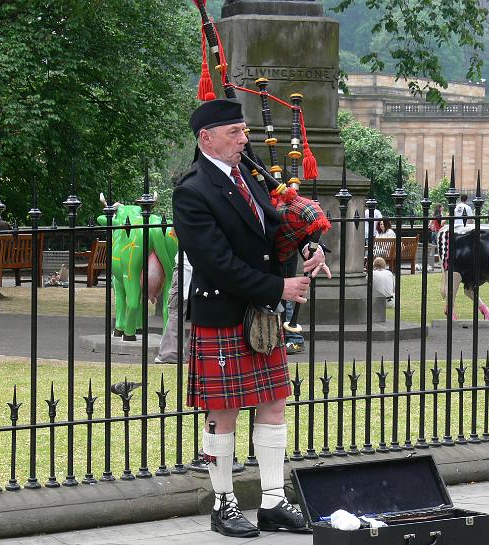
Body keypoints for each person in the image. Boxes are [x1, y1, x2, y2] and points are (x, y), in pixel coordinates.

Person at [172, 98, 330, 538]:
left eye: (244, 130)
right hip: (224, 311)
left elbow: (275, 227)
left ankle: (274, 502)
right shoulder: (192, 191)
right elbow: (217, 263)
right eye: (235, 132)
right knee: (223, 411)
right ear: (207, 139)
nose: (244, 139)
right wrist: (279, 288)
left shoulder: (248, 173)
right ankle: (223, 504)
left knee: (274, 403)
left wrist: (310, 246)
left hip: (260, 313)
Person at [155, 250, 192, 364]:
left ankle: (171, 352)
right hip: (204, 267)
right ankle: (195, 352)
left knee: (176, 311)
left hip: (186, 266)